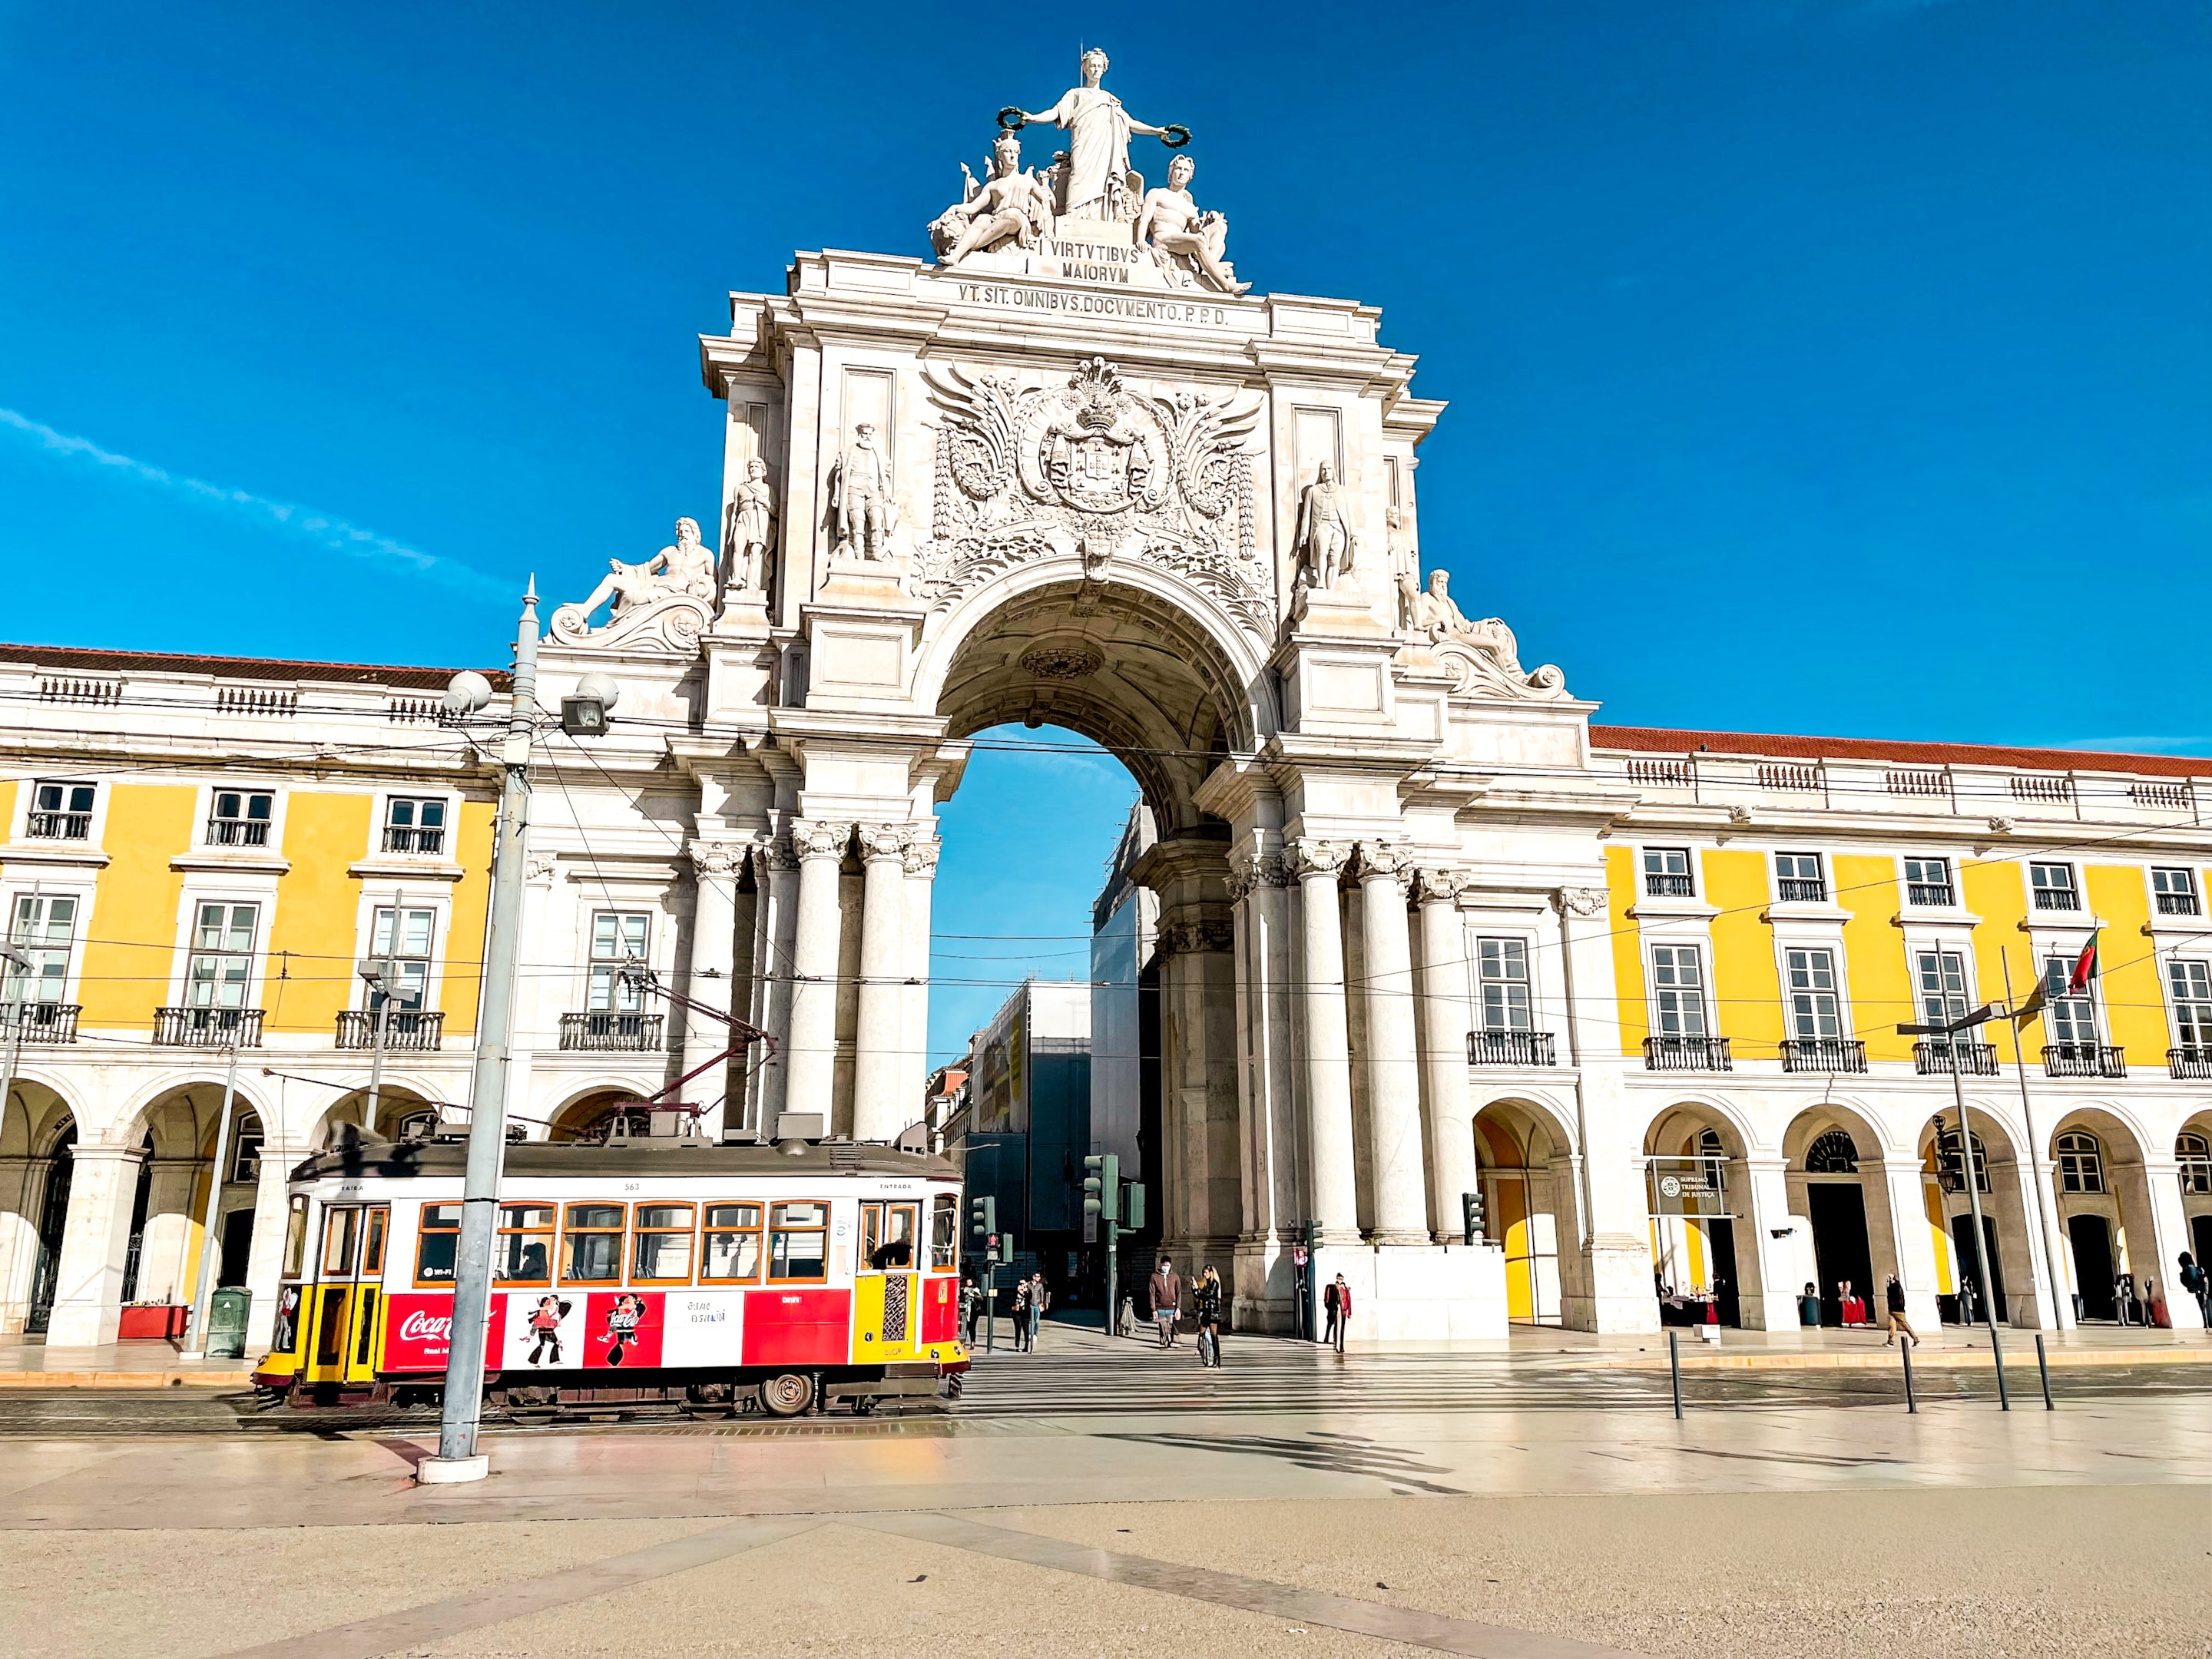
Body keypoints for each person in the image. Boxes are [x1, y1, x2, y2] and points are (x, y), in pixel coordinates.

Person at [1194, 1266, 1225, 1367]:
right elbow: (1200, 1296)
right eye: (1204, 1272)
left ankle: (1217, 1359)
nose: (1204, 1275)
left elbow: (1208, 1295)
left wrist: (1198, 1290)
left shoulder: (1215, 1284)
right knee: (1201, 1335)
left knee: (1214, 1336)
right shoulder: (1207, 1284)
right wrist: (1194, 1289)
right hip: (1206, 1313)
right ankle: (1205, 1356)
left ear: (1211, 1273)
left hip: (1213, 1313)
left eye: (1206, 1272)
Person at [1148, 1256, 1182, 1349]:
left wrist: (1178, 1308)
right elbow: (1152, 1293)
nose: (1166, 1267)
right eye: (1164, 1265)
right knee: (1163, 1326)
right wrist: (1153, 1309)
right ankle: (1164, 1340)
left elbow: (1178, 1292)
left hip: (1172, 1306)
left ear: (1170, 1265)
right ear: (1161, 1265)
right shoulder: (1154, 1276)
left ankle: (1170, 1341)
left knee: (1171, 1326)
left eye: (1168, 1265)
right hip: (1160, 1307)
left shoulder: (1175, 1277)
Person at [1882, 1275, 1919, 1346]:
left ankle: (1915, 1338)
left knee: (1905, 1325)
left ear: (1893, 1279)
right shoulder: (1891, 1286)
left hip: (1898, 1310)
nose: (1888, 1278)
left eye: (1889, 1277)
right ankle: (1890, 1342)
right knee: (1892, 1326)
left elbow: (1900, 1299)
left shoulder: (1896, 1286)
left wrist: (1894, 1305)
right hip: (1892, 1310)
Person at [2181, 1251, 2210, 1328]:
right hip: (2201, 1289)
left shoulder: (2190, 1269)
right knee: (2204, 1307)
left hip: (2201, 1289)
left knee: (2203, 1307)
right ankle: (2206, 1324)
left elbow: (2197, 1279)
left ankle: (2207, 1324)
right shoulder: (2191, 1268)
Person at [1008, 1275, 1031, 1352]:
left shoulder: (1029, 1291)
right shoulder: (1016, 1291)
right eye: (1020, 1284)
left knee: (1026, 1329)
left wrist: (1024, 1292)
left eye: (1023, 1284)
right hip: (1017, 1311)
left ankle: (1026, 1345)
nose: (1021, 1285)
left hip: (1025, 1312)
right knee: (1018, 1327)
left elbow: (1030, 1298)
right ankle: (1017, 1341)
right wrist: (1018, 1291)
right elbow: (1012, 1299)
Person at [1330, 1273, 1352, 1352]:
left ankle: (1341, 1345)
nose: (1340, 1280)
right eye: (1338, 1279)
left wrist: (1349, 1312)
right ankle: (1337, 1345)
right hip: (1338, 1308)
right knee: (1338, 1327)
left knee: (1342, 1328)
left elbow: (1348, 1300)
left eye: (1341, 1279)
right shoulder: (1334, 1288)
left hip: (1344, 1309)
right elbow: (1330, 1299)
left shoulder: (1345, 1289)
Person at [1026, 1273, 1048, 1351]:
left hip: (1037, 1305)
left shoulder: (1040, 1286)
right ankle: (1030, 1334)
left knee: (1037, 1321)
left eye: (1039, 1277)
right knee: (1030, 1321)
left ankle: (1035, 1334)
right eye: (1038, 1277)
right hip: (1030, 1304)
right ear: (1034, 1277)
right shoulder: (1029, 1284)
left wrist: (1042, 1303)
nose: (1039, 1278)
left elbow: (1042, 1295)